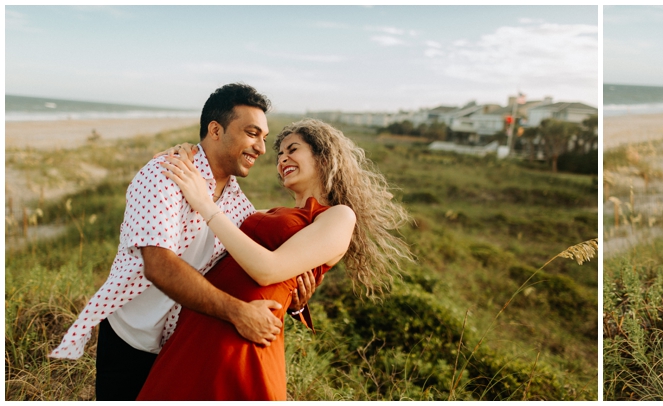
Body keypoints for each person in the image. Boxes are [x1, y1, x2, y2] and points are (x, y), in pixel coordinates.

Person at [49, 83, 316, 400]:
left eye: (264, 138)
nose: (261, 148)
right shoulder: (165, 174)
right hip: (130, 339)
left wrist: (295, 303)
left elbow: (250, 265)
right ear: (215, 130)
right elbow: (159, 266)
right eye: (252, 133)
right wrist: (238, 313)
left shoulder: (238, 205)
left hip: (184, 346)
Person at [136, 118, 412, 400]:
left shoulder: (339, 215)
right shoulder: (270, 212)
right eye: (280, 154)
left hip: (242, 337)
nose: (282, 159)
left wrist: (204, 205)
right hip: (204, 320)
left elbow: (267, 270)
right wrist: (189, 153)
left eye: (293, 149)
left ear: (324, 157)